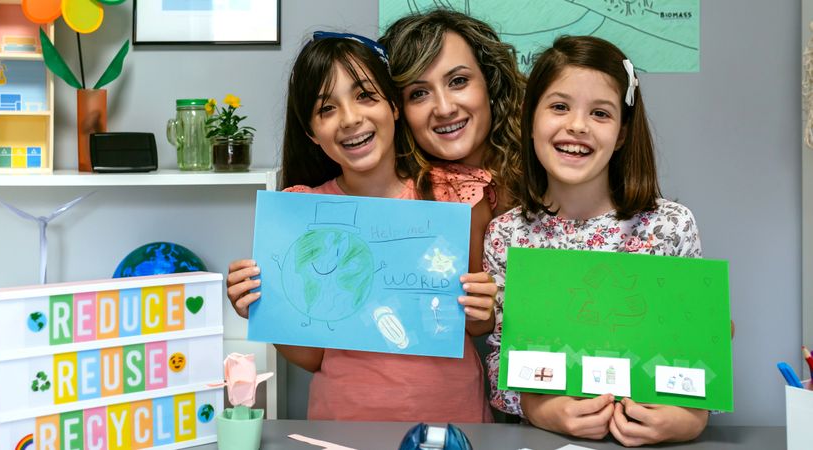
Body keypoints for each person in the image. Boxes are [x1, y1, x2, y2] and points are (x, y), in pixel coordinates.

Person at [226, 31, 497, 423]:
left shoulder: (457, 195)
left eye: (365, 96)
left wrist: (482, 308)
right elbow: (314, 357)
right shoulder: (300, 213)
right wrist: (262, 307)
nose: (351, 119)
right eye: (326, 109)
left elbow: (475, 325)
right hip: (345, 422)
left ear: (395, 106)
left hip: (454, 422)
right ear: (311, 133)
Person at [483, 35, 709, 446]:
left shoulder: (670, 227)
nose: (577, 126)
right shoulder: (506, 235)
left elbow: (695, 356)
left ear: (621, 134)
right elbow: (502, 361)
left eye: (600, 113)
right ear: (529, 118)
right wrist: (541, 409)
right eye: (558, 106)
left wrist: (691, 420)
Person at [379, 9, 526, 214]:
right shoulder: (396, 204)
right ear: (398, 110)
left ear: (490, 82)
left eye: (458, 81)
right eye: (419, 93)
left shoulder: (548, 169)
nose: (445, 109)